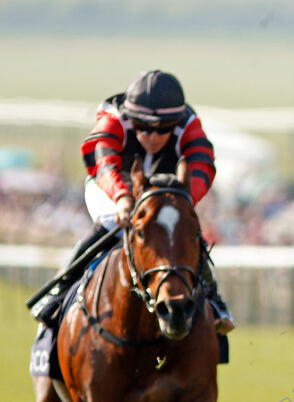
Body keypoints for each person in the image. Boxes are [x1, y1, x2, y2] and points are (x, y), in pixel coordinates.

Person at [30, 70, 234, 335]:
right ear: (131, 118)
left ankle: (214, 300)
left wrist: (183, 198)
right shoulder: (114, 118)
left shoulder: (188, 124)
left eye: (162, 129)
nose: (151, 136)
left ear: (175, 122)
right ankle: (59, 291)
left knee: (182, 227)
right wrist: (122, 197)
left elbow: (203, 165)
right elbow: (102, 162)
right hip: (112, 186)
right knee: (110, 221)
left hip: (163, 190)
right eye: (143, 127)